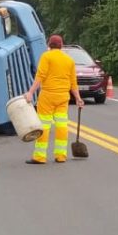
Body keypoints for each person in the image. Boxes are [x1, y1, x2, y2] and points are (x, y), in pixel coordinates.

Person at [25, 35, 83, 164]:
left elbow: (40, 76)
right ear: (61, 45)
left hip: (48, 96)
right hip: (63, 97)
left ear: (49, 45)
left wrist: (30, 92)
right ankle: (61, 155)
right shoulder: (69, 60)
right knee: (62, 125)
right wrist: (78, 98)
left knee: (44, 126)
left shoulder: (46, 56)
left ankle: (40, 156)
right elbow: (73, 82)